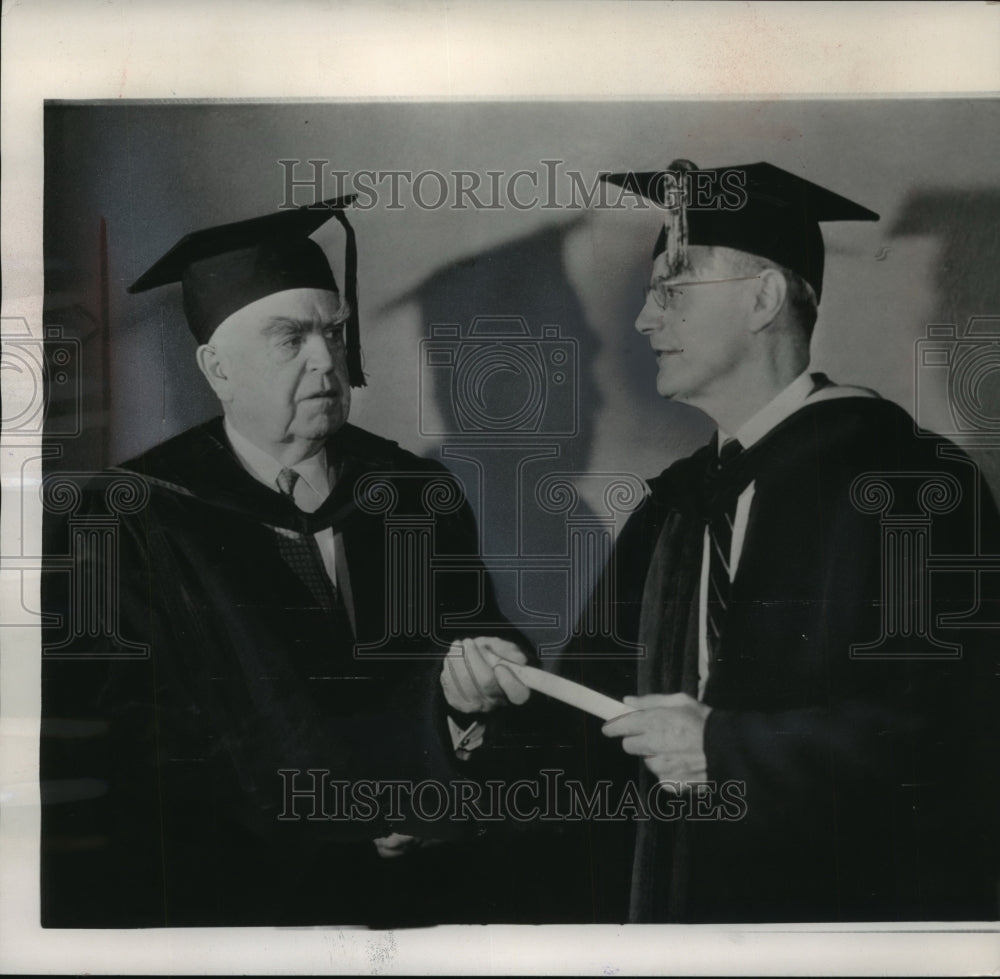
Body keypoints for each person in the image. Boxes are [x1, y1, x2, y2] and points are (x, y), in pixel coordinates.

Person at [39, 196, 528, 927]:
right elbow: (125, 747)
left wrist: (481, 695)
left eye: (334, 331)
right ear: (216, 368)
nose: (327, 361)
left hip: (421, 895)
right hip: (238, 904)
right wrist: (339, 814)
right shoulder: (126, 518)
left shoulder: (413, 494)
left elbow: (481, 651)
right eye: (289, 338)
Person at [536, 161, 1000, 923]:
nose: (646, 320)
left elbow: (956, 733)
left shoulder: (913, 486)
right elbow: (585, 719)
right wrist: (477, 709)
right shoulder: (676, 509)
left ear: (763, 299)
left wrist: (726, 749)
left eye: (673, 291)